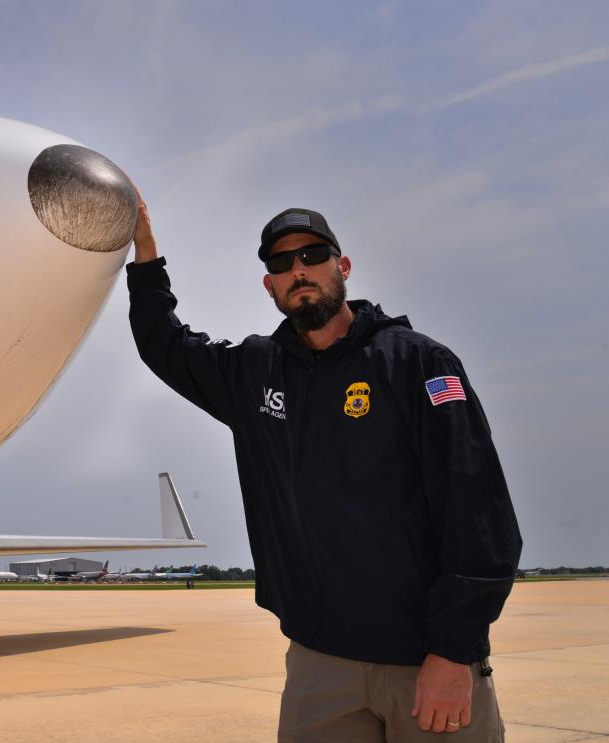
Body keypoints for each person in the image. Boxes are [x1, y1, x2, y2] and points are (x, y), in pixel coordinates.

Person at [126, 196, 522, 741]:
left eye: (312, 255)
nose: (298, 271)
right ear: (269, 285)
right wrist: (146, 255)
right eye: (281, 263)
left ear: (343, 266)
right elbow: (164, 346)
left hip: (425, 659)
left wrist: (455, 652)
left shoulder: (417, 363)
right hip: (319, 664)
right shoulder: (257, 370)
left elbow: (479, 511)